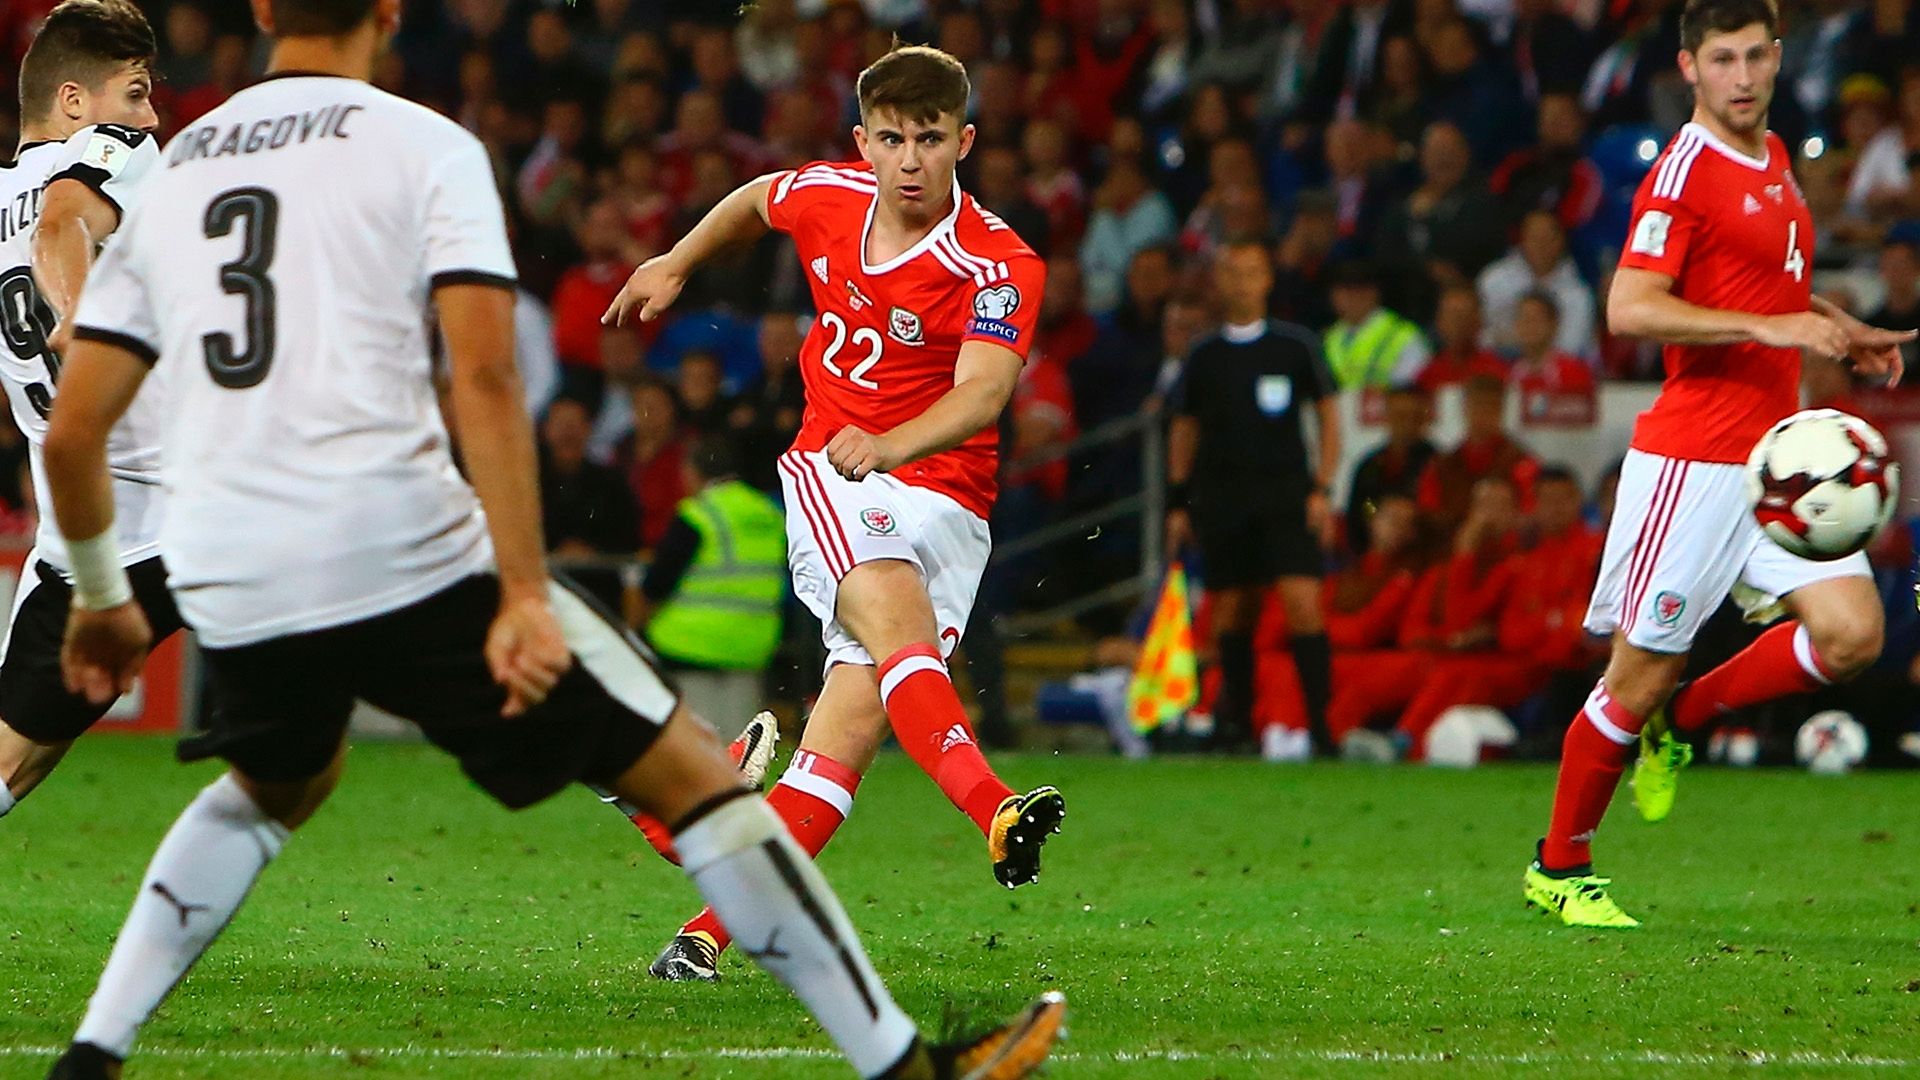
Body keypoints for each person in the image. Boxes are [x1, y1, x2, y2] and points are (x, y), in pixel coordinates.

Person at [39, 4, 1064, 1077]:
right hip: (398, 546)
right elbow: (485, 377)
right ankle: (905, 1064)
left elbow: (73, 431)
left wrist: (106, 597)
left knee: (269, 783)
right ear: (390, 13)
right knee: (699, 780)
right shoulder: (420, 144)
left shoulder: (185, 159)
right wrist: (523, 588)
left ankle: (92, 1055)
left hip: (231, 558)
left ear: (257, 13)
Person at [605, 44, 1066, 981]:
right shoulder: (833, 192)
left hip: (949, 502)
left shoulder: (1000, 263)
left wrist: (896, 444)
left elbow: (983, 394)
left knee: (838, 748)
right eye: (890, 138)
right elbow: (759, 196)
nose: (908, 160)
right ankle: (995, 809)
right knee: (902, 630)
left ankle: (699, 920)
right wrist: (677, 260)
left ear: (963, 141)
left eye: (929, 139)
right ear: (863, 141)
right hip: (836, 475)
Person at [1525, 0, 1912, 930]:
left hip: (1777, 464)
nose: (1741, 76)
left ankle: (1685, 720)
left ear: (1778, 59)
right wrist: (1771, 326)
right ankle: (1560, 866)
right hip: (1692, 461)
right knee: (1634, 676)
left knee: (1854, 634)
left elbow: (1764, 286)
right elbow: (1631, 306)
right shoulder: (1681, 174)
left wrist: (1834, 326)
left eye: (1753, 57)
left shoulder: (1774, 161)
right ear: (1690, 68)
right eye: (1721, 60)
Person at [0, 0, 161, 825]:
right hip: (195, 504)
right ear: (74, 103)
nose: (151, 115)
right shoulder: (116, 153)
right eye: (135, 92)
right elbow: (64, 219)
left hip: (81, 539)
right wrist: (81, 324)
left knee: (13, 761)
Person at [1165, 239, 1340, 755]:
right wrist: (1179, 500)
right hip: (1223, 498)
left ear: (1267, 279)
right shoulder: (1204, 354)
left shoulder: (1295, 345)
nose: (1240, 281)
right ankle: (1236, 723)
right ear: (1218, 281)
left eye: (1250, 271)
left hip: (1286, 494)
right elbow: (1185, 428)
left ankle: (1322, 728)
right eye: (1231, 272)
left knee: (1302, 603)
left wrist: (1323, 486)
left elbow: (1328, 416)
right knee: (1231, 612)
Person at [637, 436, 786, 739]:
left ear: (693, 471)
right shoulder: (771, 514)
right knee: (742, 749)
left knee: (697, 749)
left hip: (687, 645)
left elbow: (657, 584)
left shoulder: (699, 515)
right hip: (751, 646)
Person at [1343, 384, 1436, 553]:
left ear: (1424, 418)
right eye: (1400, 416)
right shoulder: (1370, 465)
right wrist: (1376, 515)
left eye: (1413, 416)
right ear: (1387, 416)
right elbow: (1363, 502)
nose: (1406, 424)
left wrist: (1407, 515)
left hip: (1422, 551)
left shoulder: (1438, 462)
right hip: (1375, 551)